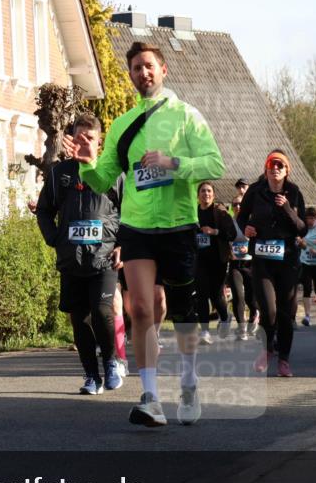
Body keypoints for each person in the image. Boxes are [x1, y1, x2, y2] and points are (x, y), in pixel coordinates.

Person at [73, 41, 225, 427]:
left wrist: (173, 162)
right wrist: (88, 163)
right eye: (136, 68)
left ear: (163, 69)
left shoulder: (186, 117)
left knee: (183, 313)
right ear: (130, 76)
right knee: (140, 308)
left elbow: (215, 163)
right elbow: (104, 178)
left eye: (148, 66)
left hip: (177, 224)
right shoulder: (123, 125)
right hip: (137, 226)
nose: (143, 73)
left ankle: (189, 383)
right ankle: (151, 397)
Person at [37, 113, 124, 394]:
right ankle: (91, 376)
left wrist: (123, 244)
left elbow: (131, 213)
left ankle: (111, 362)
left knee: (101, 311)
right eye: (79, 137)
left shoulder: (113, 173)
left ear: (100, 142)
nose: (84, 142)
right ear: (71, 139)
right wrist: (55, 239)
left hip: (105, 257)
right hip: (71, 257)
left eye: (90, 138)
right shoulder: (58, 174)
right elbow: (44, 211)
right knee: (79, 317)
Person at [236, 150, 307, 377]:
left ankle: (284, 359)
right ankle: (267, 350)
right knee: (269, 309)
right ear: (265, 168)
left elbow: (302, 227)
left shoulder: (294, 192)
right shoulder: (256, 191)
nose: (275, 168)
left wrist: (286, 207)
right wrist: (245, 228)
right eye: (271, 164)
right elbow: (241, 217)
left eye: (280, 165)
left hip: (287, 258)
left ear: (287, 170)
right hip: (262, 257)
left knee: (287, 312)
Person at [195, 181, 236, 343]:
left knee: (215, 294)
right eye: (203, 191)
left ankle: (225, 317)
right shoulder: (194, 212)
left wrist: (214, 231)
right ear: (198, 196)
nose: (206, 194)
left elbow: (231, 233)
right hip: (199, 259)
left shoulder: (220, 212)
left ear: (214, 195)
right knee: (201, 294)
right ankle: (205, 331)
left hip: (218, 259)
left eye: (209, 191)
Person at [227, 196, 258, 340]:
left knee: (251, 298)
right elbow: (224, 240)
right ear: (232, 206)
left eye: (240, 204)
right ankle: (242, 328)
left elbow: (259, 239)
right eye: (235, 204)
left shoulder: (251, 221)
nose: (238, 206)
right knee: (238, 296)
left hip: (250, 263)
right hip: (235, 264)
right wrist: (230, 251)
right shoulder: (229, 223)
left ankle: (254, 314)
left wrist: (249, 248)